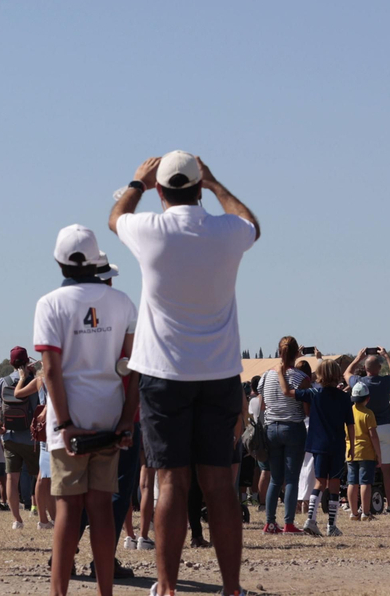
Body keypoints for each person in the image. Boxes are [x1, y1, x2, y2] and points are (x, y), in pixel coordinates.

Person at [108, 151, 258, 596]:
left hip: (163, 372)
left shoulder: (150, 230)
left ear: (160, 191)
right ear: (197, 186)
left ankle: (168, 586)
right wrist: (216, 184)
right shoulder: (227, 231)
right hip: (219, 371)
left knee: (170, 480)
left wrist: (136, 181)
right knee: (219, 483)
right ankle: (231, 587)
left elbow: (116, 217)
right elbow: (252, 223)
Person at [33, 225, 137, 596]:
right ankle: (105, 591)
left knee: (67, 510)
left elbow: (50, 370)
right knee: (102, 509)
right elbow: (132, 365)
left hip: (69, 424)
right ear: (96, 259)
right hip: (109, 416)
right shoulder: (123, 302)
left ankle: (59, 592)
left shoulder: (50, 304)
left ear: (59, 261)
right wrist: (126, 420)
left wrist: (63, 423)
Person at [0, 348, 46, 531]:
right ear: (28, 361)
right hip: (32, 438)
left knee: (12, 478)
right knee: (40, 478)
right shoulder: (35, 381)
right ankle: (42, 518)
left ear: (11, 363)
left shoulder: (3, 382)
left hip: (9, 437)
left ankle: (17, 520)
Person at [260, 336, 309, 533]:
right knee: (291, 478)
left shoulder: (267, 375)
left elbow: (263, 403)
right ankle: (289, 522)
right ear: (297, 353)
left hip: (271, 427)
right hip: (293, 427)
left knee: (275, 478)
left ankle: (270, 522)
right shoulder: (300, 378)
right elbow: (307, 410)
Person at [294, 360, 349, 537]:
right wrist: (352, 445)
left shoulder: (313, 393)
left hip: (317, 444)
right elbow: (351, 424)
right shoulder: (343, 397)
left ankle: (310, 520)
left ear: (319, 375)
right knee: (334, 484)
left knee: (319, 482)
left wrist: (281, 373)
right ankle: (331, 525)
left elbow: (290, 392)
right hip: (337, 444)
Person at [345, 348, 390, 513]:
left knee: (360, 472)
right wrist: (386, 356)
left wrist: (357, 359)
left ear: (366, 368)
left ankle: (357, 507)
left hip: (363, 428)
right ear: (379, 368)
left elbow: (346, 373)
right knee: (387, 469)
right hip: (383, 427)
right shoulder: (385, 382)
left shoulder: (360, 383)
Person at [344, 381, 379, 523]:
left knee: (352, 482)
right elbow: (373, 436)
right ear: (367, 398)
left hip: (350, 451)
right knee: (365, 482)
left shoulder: (348, 411)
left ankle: (353, 513)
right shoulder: (368, 414)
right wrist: (379, 454)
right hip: (366, 452)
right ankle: (365, 512)